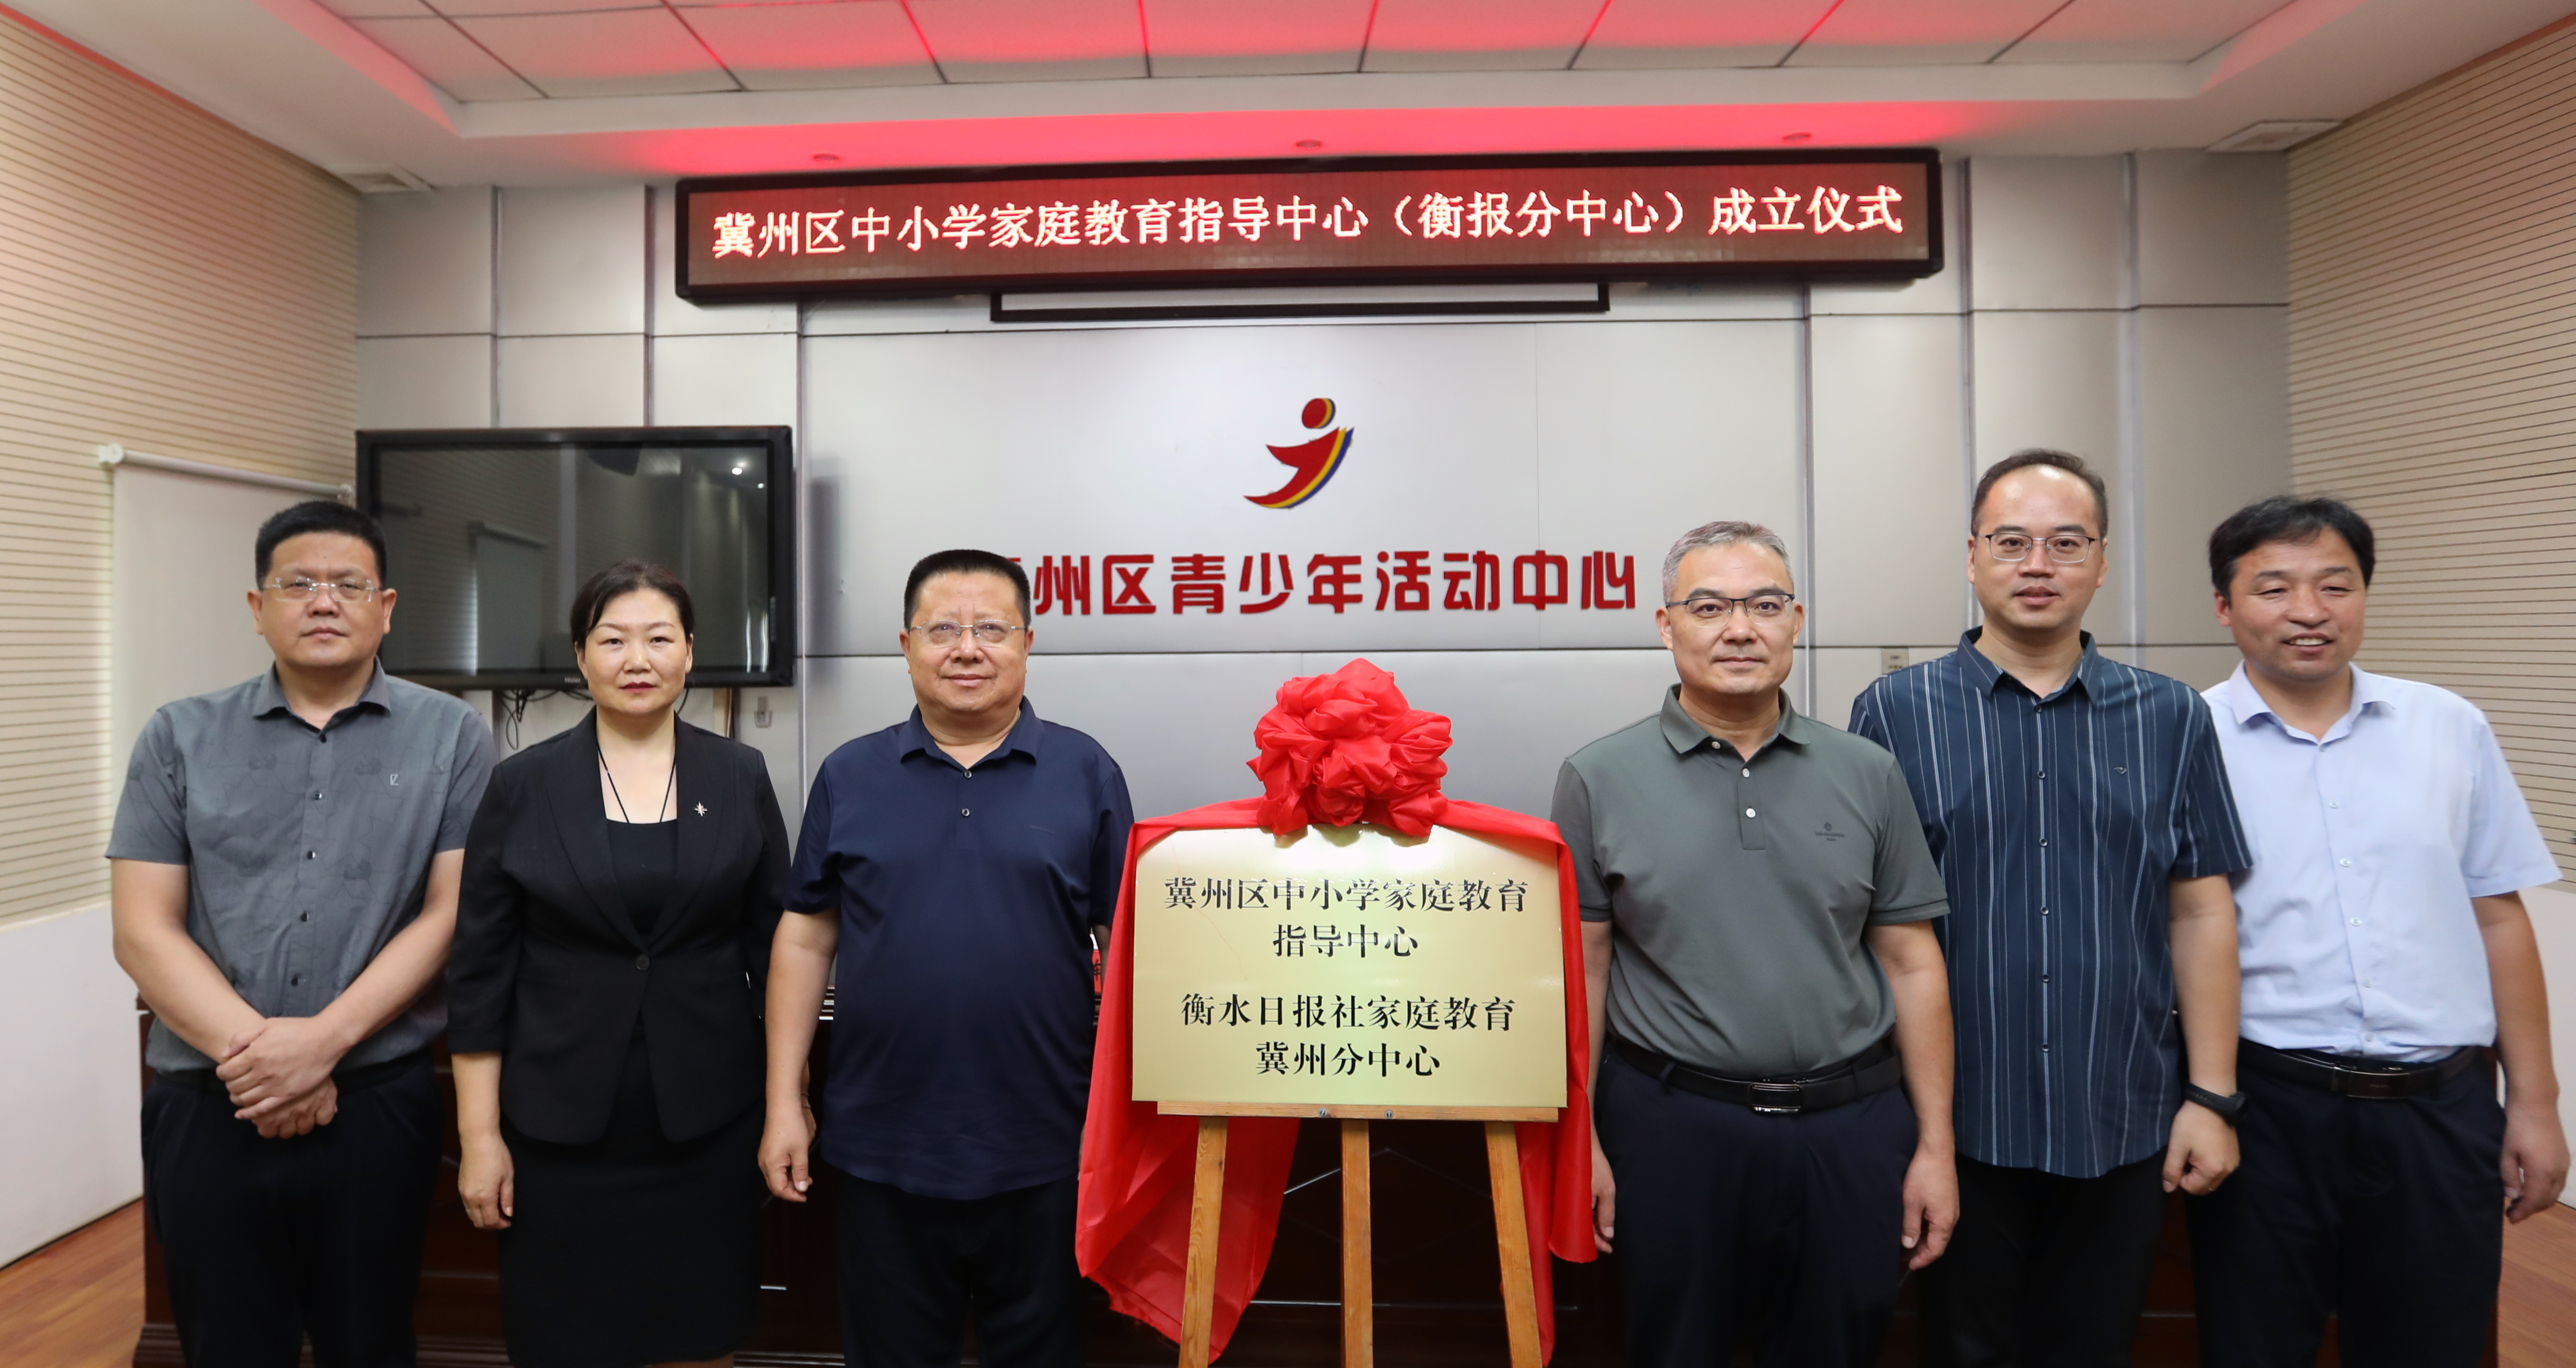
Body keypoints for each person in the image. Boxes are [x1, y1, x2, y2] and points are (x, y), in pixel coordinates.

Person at [1849, 450, 2252, 1368]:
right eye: (2012, 542)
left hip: (2122, 1108)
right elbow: (1866, 922)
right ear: (1971, 556)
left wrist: (2211, 1097)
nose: (2038, 565)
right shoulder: (1894, 713)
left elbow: (2200, 913)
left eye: (2066, 544)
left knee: (2096, 1346)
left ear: (2102, 562)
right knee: (1962, 1349)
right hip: (1953, 1119)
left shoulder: (2171, 716)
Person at [1554, 520, 1959, 1368]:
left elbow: (1912, 962)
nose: (1739, 629)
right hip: (1670, 1127)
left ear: (1795, 621)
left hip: (1850, 1129)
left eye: (1764, 606)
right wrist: (1580, 1139)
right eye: (1709, 607)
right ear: (1666, 626)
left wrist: (1934, 1147)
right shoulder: (1598, 776)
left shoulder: (1866, 772)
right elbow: (1583, 966)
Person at [109, 500, 495, 1368]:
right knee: (227, 1348)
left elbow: (450, 915)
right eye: (298, 583)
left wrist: (322, 1045)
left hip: (374, 1106)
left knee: (372, 1343)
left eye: (348, 585)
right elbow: (142, 929)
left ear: (385, 608)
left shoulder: (453, 735)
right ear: (258, 607)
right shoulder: (178, 736)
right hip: (211, 1104)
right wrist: (267, 1064)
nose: (324, 601)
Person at [2188, 496, 2567, 1368]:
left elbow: (2497, 917)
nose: (2309, 611)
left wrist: (2535, 1104)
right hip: (2268, 1108)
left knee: (2434, 1346)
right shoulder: (2186, 739)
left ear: (2363, 595)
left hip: (2439, 1108)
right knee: (2254, 1346)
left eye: (2335, 586)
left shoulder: (2447, 727)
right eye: (2273, 588)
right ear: (2224, 606)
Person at [760, 548, 1133, 1368]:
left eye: (991, 629)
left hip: (1046, 1145)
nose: (967, 648)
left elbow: (1128, 944)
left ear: (1027, 642)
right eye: (943, 630)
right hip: (881, 1144)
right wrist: (785, 1099)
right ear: (906, 646)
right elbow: (806, 935)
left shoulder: (1085, 771)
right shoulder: (851, 774)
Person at [448, 560, 789, 1368]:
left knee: (701, 1340)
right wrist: (479, 1137)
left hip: (708, 1125)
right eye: (612, 641)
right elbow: (479, 971)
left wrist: (789, 1103)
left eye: (659, 639)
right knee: (567, 1343)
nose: (637, 660)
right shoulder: (523, 785)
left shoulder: (738, 776)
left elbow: (777, 951)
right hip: (558, 1134)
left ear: (689, 652)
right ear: (581, 656)